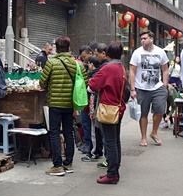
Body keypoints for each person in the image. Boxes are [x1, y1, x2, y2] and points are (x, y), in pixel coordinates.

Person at [39, 36, 86, 176]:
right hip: (70, 104)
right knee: (68, 132)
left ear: (56, 48)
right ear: (69, 47)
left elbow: (42, 82)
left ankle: (57, 165)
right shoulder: (77, 64)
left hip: (54, 103)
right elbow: (85, 82)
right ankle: (69, 163)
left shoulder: (51, 63)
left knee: (54, 133)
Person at [88, 41, 128, 184]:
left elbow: (93, 84)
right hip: (118, 107)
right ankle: (114, 169)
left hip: (108, 108)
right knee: (115, 140)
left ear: (108, 54)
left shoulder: (108, 68)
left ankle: (112, 174)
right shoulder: (121, 68)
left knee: (109, 141)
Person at [129, 31, 170, 147]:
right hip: (141, 87)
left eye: (144, 38)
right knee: (143, 113)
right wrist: (132, 89)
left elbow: (165, 69)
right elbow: (132, 71)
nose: (142, 41)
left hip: (157, 86)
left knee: (160, 109)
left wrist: (165, 84)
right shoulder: (137, 53)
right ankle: (143, 137)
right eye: (141, 39)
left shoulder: (160, 52)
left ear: (151, 39)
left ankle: (154, 132)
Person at [76, 45, 94, 155]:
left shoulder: (93, 69)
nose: (84, 59)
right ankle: (87, 143)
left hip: (88, 101)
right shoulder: (85, 66)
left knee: (87, 123)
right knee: (85, 123)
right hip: (85, 99)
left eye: (85, 56)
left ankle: (89, 145)